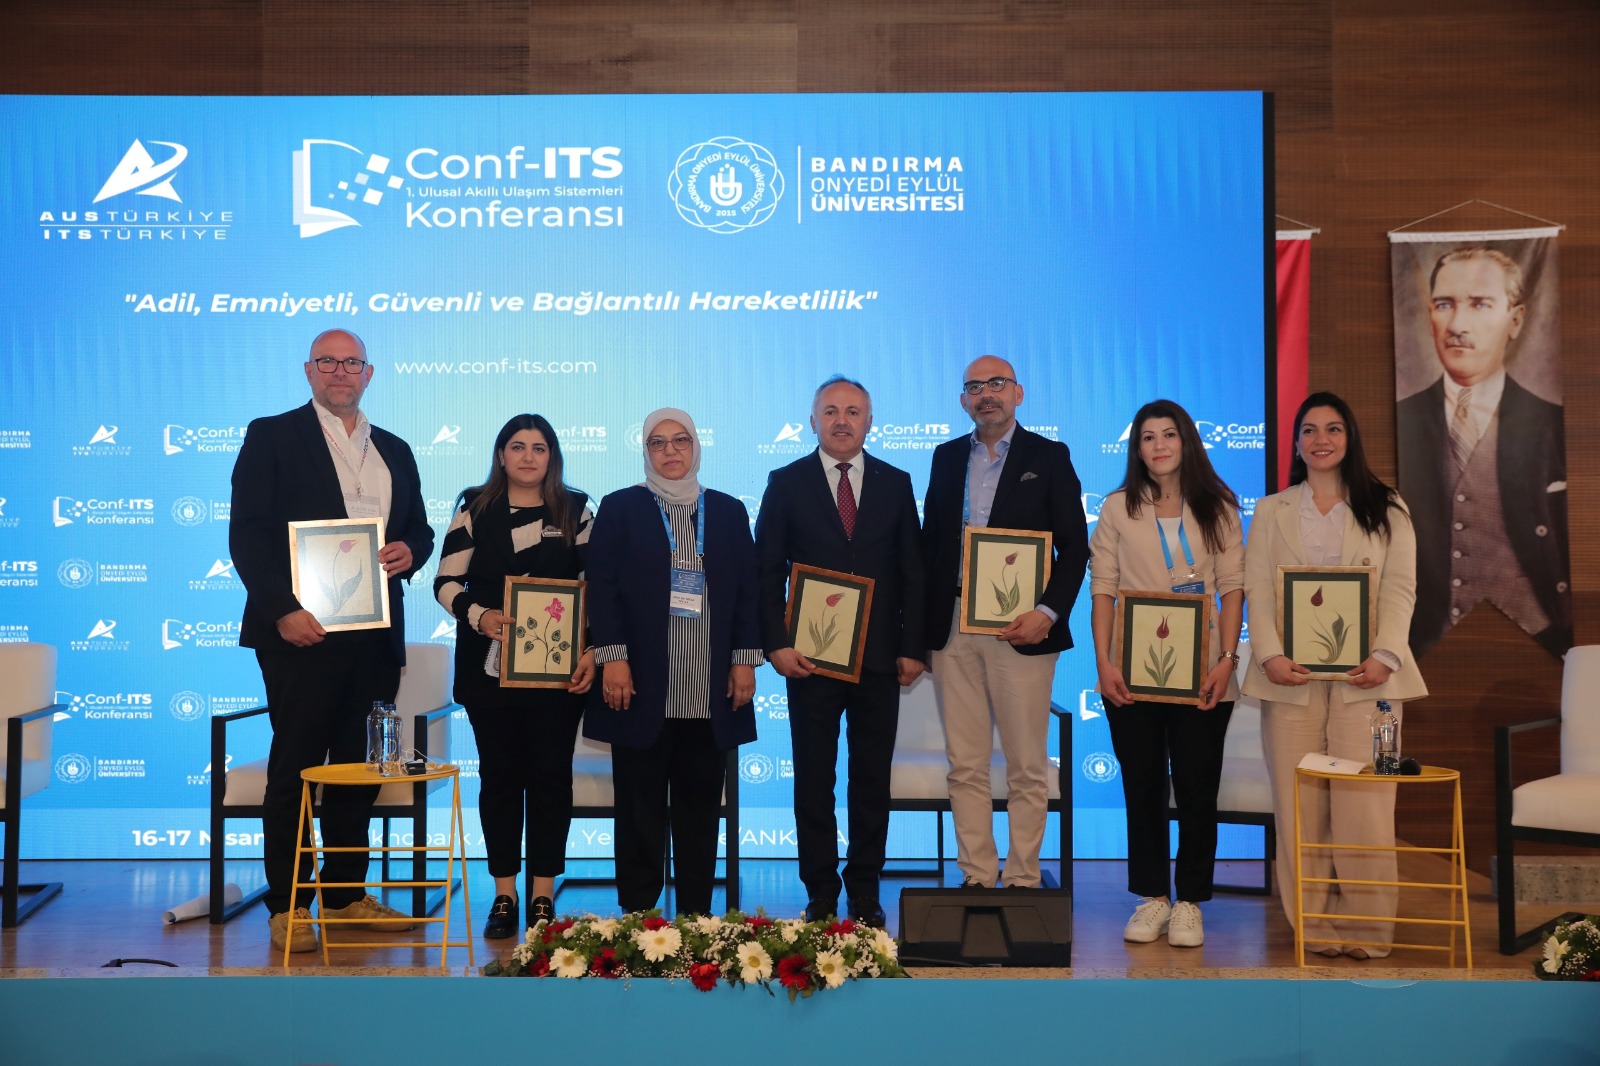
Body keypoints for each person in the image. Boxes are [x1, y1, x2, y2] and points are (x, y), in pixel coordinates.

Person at [229, 329, 435, 953]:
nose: (340, 371)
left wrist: (411, 551)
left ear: (369, 373)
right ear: (308, 370)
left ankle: (345, 896)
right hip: (302, 634)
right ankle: (288, 906)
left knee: (358, 769)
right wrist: (282, 610)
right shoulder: (272, 435)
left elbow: (419, 529)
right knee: (295, 769)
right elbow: (248, 534)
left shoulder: (394, 448)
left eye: (351, 362)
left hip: (375, 635)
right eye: (328, 361)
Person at [1243, 391, 1428, 959]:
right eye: (1309, 430)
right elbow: (1258, 591)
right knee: (1299, 808)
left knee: (1368, 806)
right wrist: (1269, 655)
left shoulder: (1387, 505)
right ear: (1296, 442)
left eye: (1333, 428)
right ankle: (1315, 927)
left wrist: (1386, 655)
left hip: (1370, 680)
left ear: (1350, 437)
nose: (1320, 439)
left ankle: (1369, 930)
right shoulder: (1272, 510)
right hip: (1289, 680)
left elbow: (1401, 587)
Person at [755, 376, 925, 927]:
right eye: (830, 411)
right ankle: (821, 893)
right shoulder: (786, 483)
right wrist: (775, 644)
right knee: (814, 781)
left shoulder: (896, 483)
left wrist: (913, 647)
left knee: (871, 781)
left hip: (880, 660)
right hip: (810, 660)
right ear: (813, 422)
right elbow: (765, 572)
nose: (842, 420)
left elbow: (913, 571)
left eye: (853, 411)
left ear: (870, 422)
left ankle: (865, 890)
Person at [583, 408, 761, 917]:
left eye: (680, 440)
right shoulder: (620, 507)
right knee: (638, 811)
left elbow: (747, 591)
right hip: (639, 687)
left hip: (708, 689)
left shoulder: (728, 511)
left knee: (699, 813)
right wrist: (613, 658)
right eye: (657, 443)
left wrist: (744, 660)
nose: (670, 451)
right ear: (645, 451)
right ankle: (639, 921)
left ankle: (696, 921)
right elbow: (602, 590)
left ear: (696, 446)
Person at [922, 355, 1088, 890]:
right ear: (963, 400)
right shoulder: (946, 457)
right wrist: (920, 630)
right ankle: (976, 873)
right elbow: (930, 546)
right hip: (953, 625)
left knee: (1026, 765)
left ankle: (1021, 878)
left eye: (996, 384)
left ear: (1018, 392)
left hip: (1022, 627)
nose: (985, 394)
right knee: (965, 763)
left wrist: (1047, 613)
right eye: (974, 387)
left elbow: (1076, 548)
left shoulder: (1050, 456)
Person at [1089, 400, 1244, 948]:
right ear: (1137, 448)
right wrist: (1104, 662)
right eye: (1148, 437)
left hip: (1204, 671)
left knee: (1199, 788)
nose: (1158, 445)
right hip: (1132, 672)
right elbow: (1103, 589)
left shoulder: (1219, 506)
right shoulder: (1117, 508)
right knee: (1143, 785)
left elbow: (1233, 588)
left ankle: (1191, 902)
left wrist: (1227, 660)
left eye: (1169, 434)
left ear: (1186, 442)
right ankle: (1153, 897)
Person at [434, 414, 596, 938]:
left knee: (550, 779)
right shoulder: (473, 507)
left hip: (557, 672)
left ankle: (543, 895)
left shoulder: (577, 509)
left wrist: (593, 649)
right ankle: (504, 896)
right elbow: (445, 582)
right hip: (488, 670)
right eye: (518, 446)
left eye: (540, 447)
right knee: (500, 779)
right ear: (501, 455)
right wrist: (478, 615)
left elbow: (595, 585)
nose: (529, 456)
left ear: (553, 457)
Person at [1396, 247, 1571, 658]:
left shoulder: (1553, 427)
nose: (1458, 325)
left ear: (1516, 320)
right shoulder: (1403, 419)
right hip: (1425, 651)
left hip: (1537, 646)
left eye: (1479, 304)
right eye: (1445, 304)